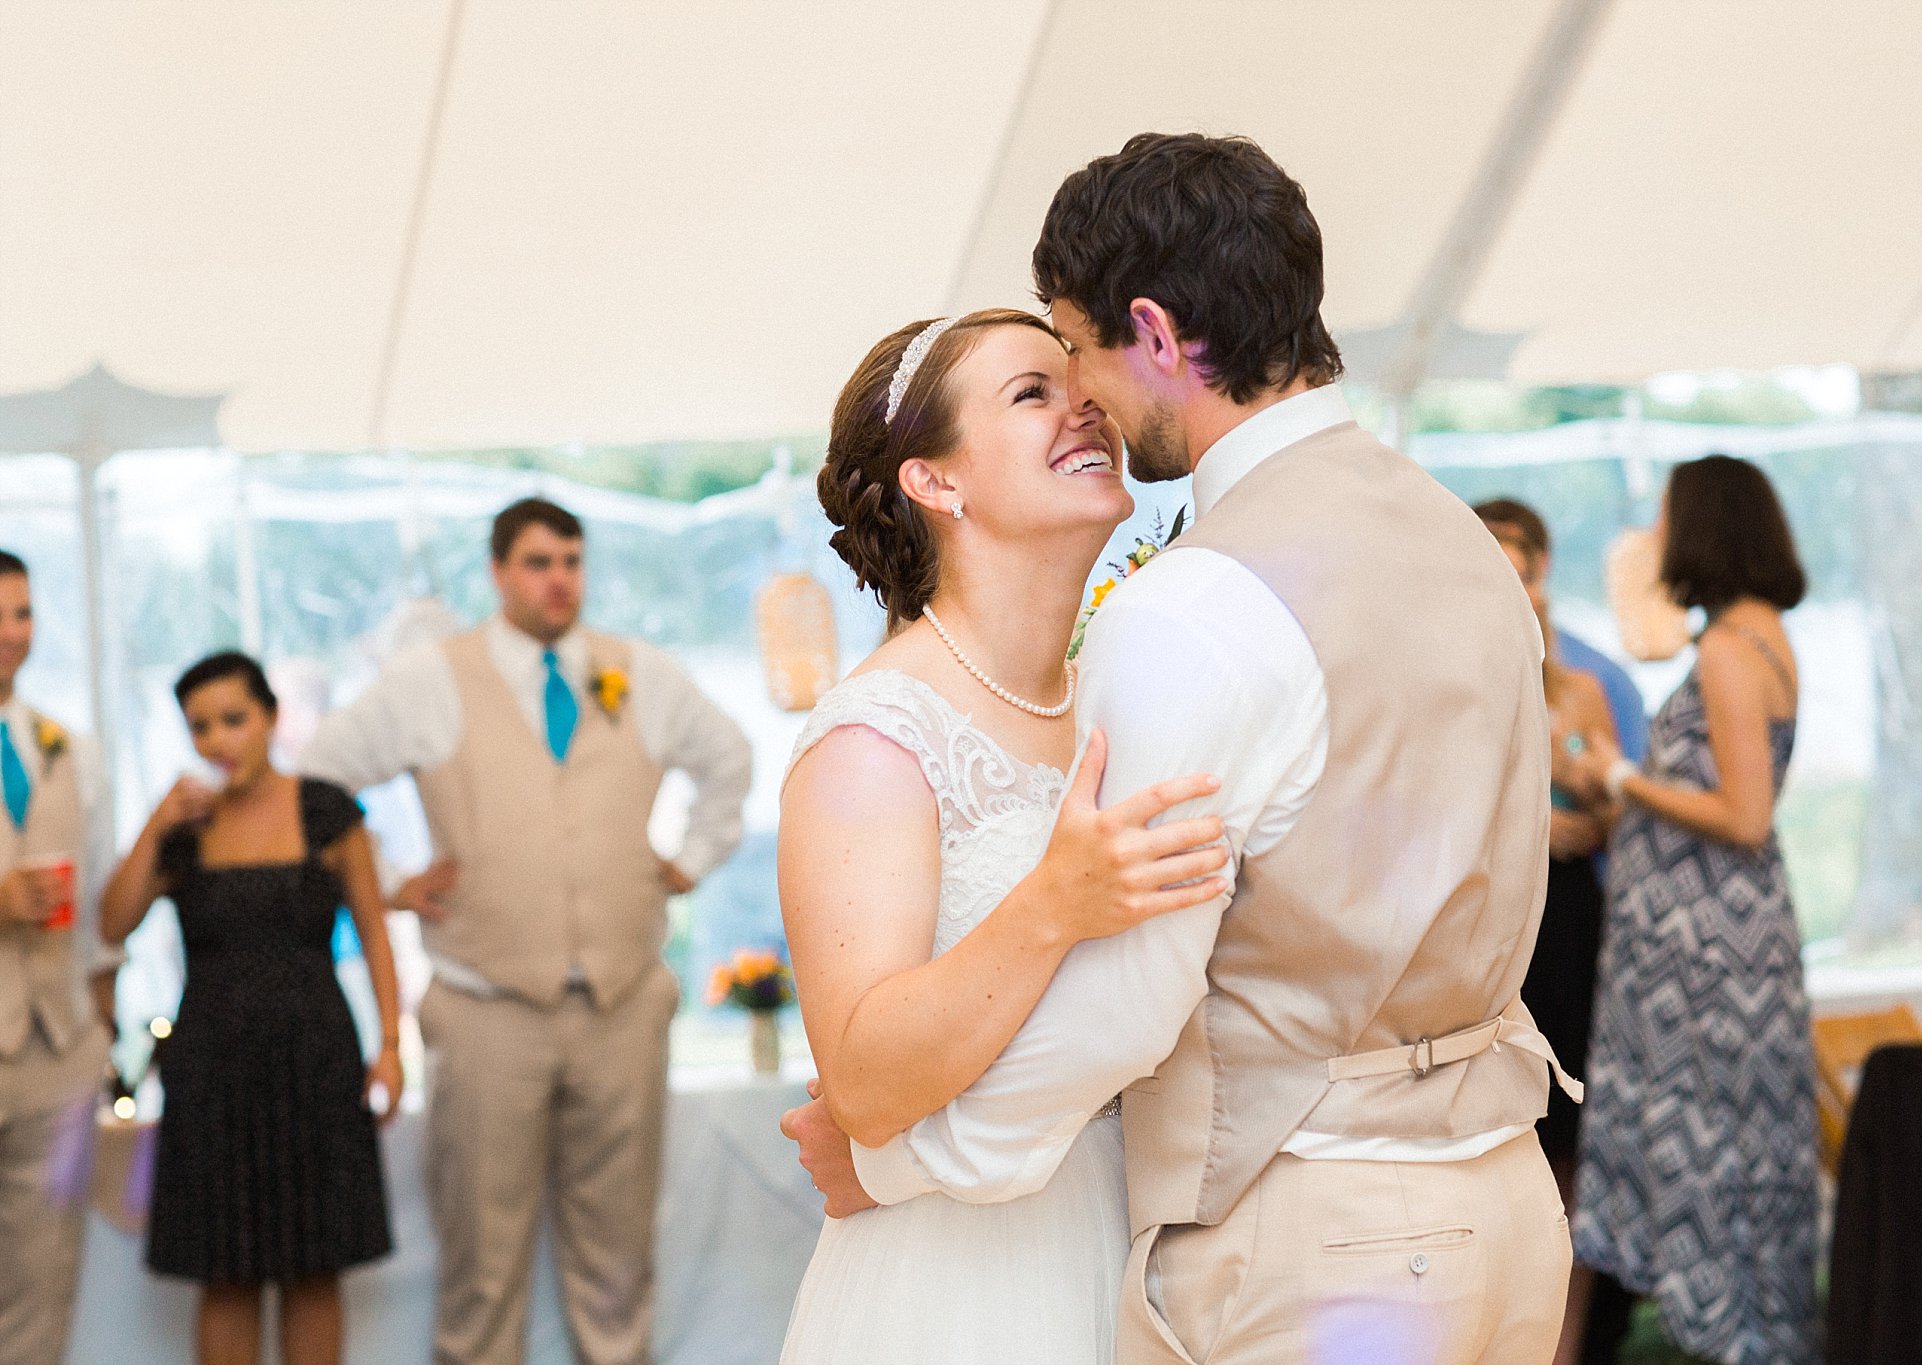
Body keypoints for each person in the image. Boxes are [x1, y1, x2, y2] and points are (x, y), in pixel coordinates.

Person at [791, 133, 1576, 1364]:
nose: (1083, 399)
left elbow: (1127, 1011)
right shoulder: (1460, 543)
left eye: (1078, 354)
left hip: (1321, 1234)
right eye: (1035, 386)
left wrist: (894, 1158)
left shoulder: (1195, 609)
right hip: (1505, 1204)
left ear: (1153, 334)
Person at [775, 308, 1231, 1364]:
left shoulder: (1122, 689)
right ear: (935, 483)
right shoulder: (873, 737)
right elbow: (863, 1085)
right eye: (1030, 393)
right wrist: (1051, 906)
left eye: (1079, 381)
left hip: (1153, 1250)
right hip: (966, 1291)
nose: (1086, 405)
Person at [298, 496, 753, 1365]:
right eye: (540, 562)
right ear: (499, 572)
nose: (560, 580)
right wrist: (392, 883)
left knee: (620, 1252)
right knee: (482, 1253)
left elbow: (729, 758)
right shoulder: (434, 677)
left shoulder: (638, 670)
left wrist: (690, 859)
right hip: (484, 1005)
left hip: (621, 998)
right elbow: (321, 778)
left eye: (572, 561)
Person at [1566, 454, 1820, 1365]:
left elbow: (1745, 815)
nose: (1660, 540)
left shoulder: (1725, 649)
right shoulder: (1762, 632)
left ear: (1707, 527)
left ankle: (1732, 1329)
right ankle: (1751, 1322)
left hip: (1705, 955)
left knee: (1712, 1140)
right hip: (1724, 940)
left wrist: (1622, 776)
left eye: (1671, 519)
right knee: (1745, 1143)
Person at [100, 651, 401, 1365]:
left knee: (315, 1263)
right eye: (200, 727)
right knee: (225, 1270)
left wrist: (390, 1042)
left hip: (315, 1059)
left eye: (234, 719)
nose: (219, 741)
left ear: (271, 716)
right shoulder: (182, 828)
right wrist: (154, 821)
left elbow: (374, 931)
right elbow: (112, 922)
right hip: (210, 1070)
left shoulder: (327, 810)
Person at [1474, 500, 1624, 1365]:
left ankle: (1566, 1344)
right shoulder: (1456, 678)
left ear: (1541, 576)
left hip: (1570, 924)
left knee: (1571, 1144)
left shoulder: (1583, 686)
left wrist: (1590, 795)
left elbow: (1614, 807)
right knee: (1509, 1136)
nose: (1512, 582)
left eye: (1522, 565)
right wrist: (1534, 829)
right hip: (1499, 923)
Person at [0, 550, 117, 1365]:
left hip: (58, 1047)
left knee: (45, 1280)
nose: (11, 633)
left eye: (22, 613)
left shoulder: (71, 746)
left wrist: (103, 1031)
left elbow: (103, 906)